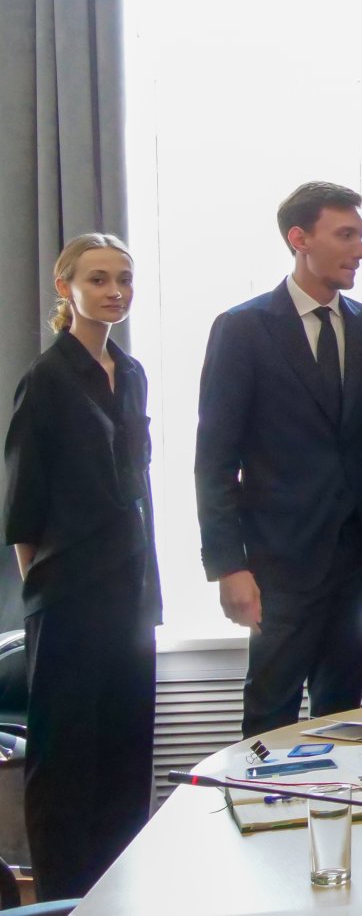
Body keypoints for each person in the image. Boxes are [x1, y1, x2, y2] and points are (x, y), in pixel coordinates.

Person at [196, 183, 362, 737]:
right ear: (299, 239)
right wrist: (229, 566)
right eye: (346, 235)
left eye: (361, 235)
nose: (361, 250)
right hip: (278, 563)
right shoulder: (243, 328)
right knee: (271, 718)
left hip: (358, 561)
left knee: (342, 719)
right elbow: (214, 460)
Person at [2, 234, 159, 899]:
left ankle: (118, 896)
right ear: (65, 287)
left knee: (126, 758)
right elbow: (23, 512)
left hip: (132, 595)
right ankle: (65, 903)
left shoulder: (133, 372)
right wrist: (48, 592)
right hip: (67, 598)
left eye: (124, 278)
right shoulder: (45, 380)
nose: (114, 291)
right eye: (98, 279)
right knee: (65, 765)